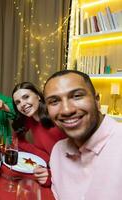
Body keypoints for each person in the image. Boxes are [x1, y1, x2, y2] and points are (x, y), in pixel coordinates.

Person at [42, 70, 122, 199]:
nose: (67, 110)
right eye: (54, 101)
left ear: (97, 100)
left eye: (77, 96)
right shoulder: (58, 152)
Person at [11, 82, 66, 162]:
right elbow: (16, 139)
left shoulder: (56, 117)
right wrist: (43, 156)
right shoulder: (29, 119)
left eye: (26, 97)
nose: (22, 104)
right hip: (47, 166)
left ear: (38, 96)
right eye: (18, 102)